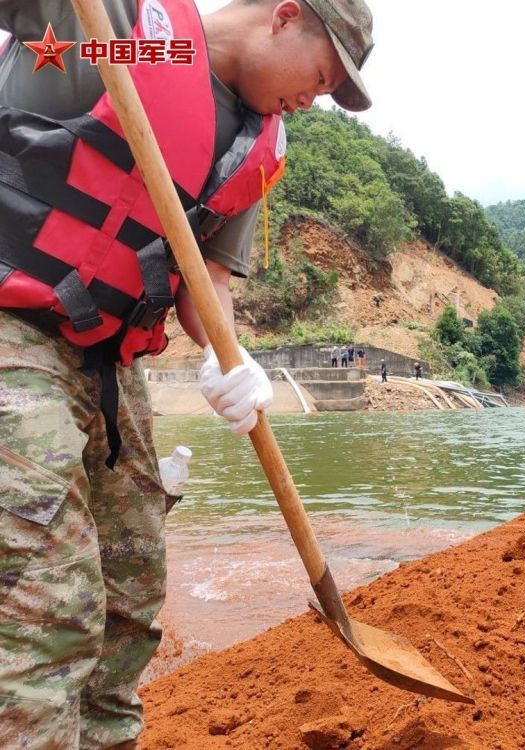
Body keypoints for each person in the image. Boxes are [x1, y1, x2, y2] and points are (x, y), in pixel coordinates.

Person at [0, 0, 374, 746]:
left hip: (109, 364)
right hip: (12, 332)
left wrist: (232, 361)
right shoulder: (117, 27)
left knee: (130, 600)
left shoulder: (258, 142)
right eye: (324, 73)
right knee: (50, 607)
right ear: (284, 16)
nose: (317, 96)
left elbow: (209, 284)